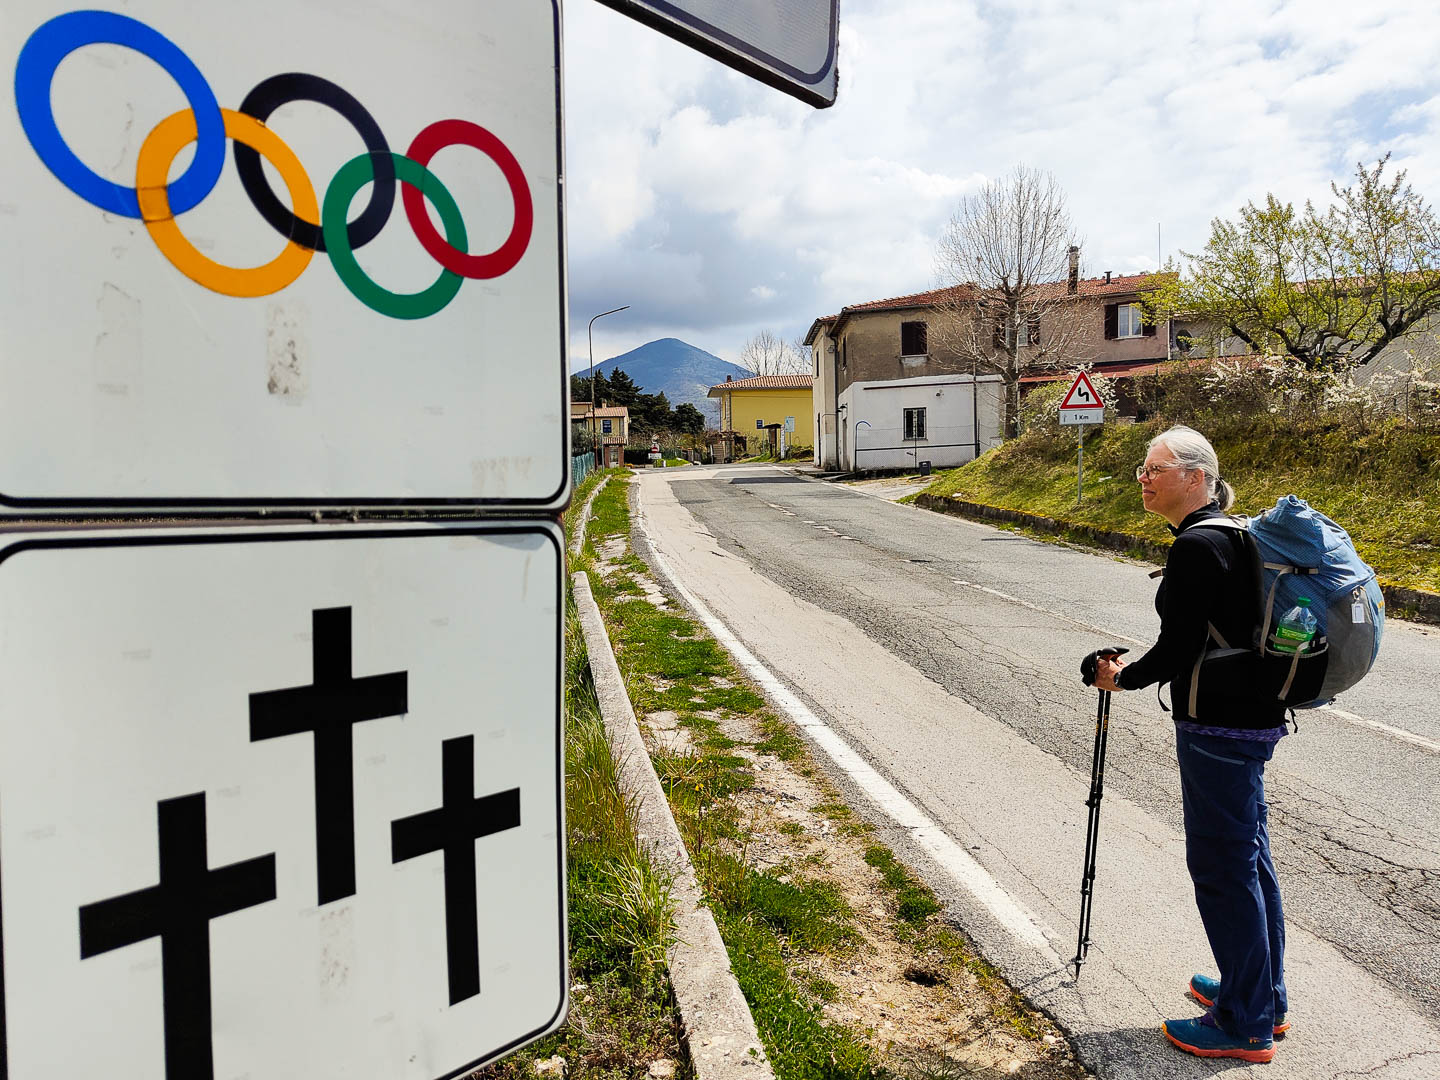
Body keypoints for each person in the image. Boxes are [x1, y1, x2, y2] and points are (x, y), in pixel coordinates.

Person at [1093, 425, 1289, 1065]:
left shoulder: (1198, 547)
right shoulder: (1231, 535)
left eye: (1157, 467)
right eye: (1143, 469)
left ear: (1197, 477)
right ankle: (1260, 994)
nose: (1144, 478)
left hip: (1218, 727)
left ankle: (1244, 1023)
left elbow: (1178, 649)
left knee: (1223, 868)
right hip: (1252, 717)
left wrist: (1121, 677)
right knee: (1249, 858)